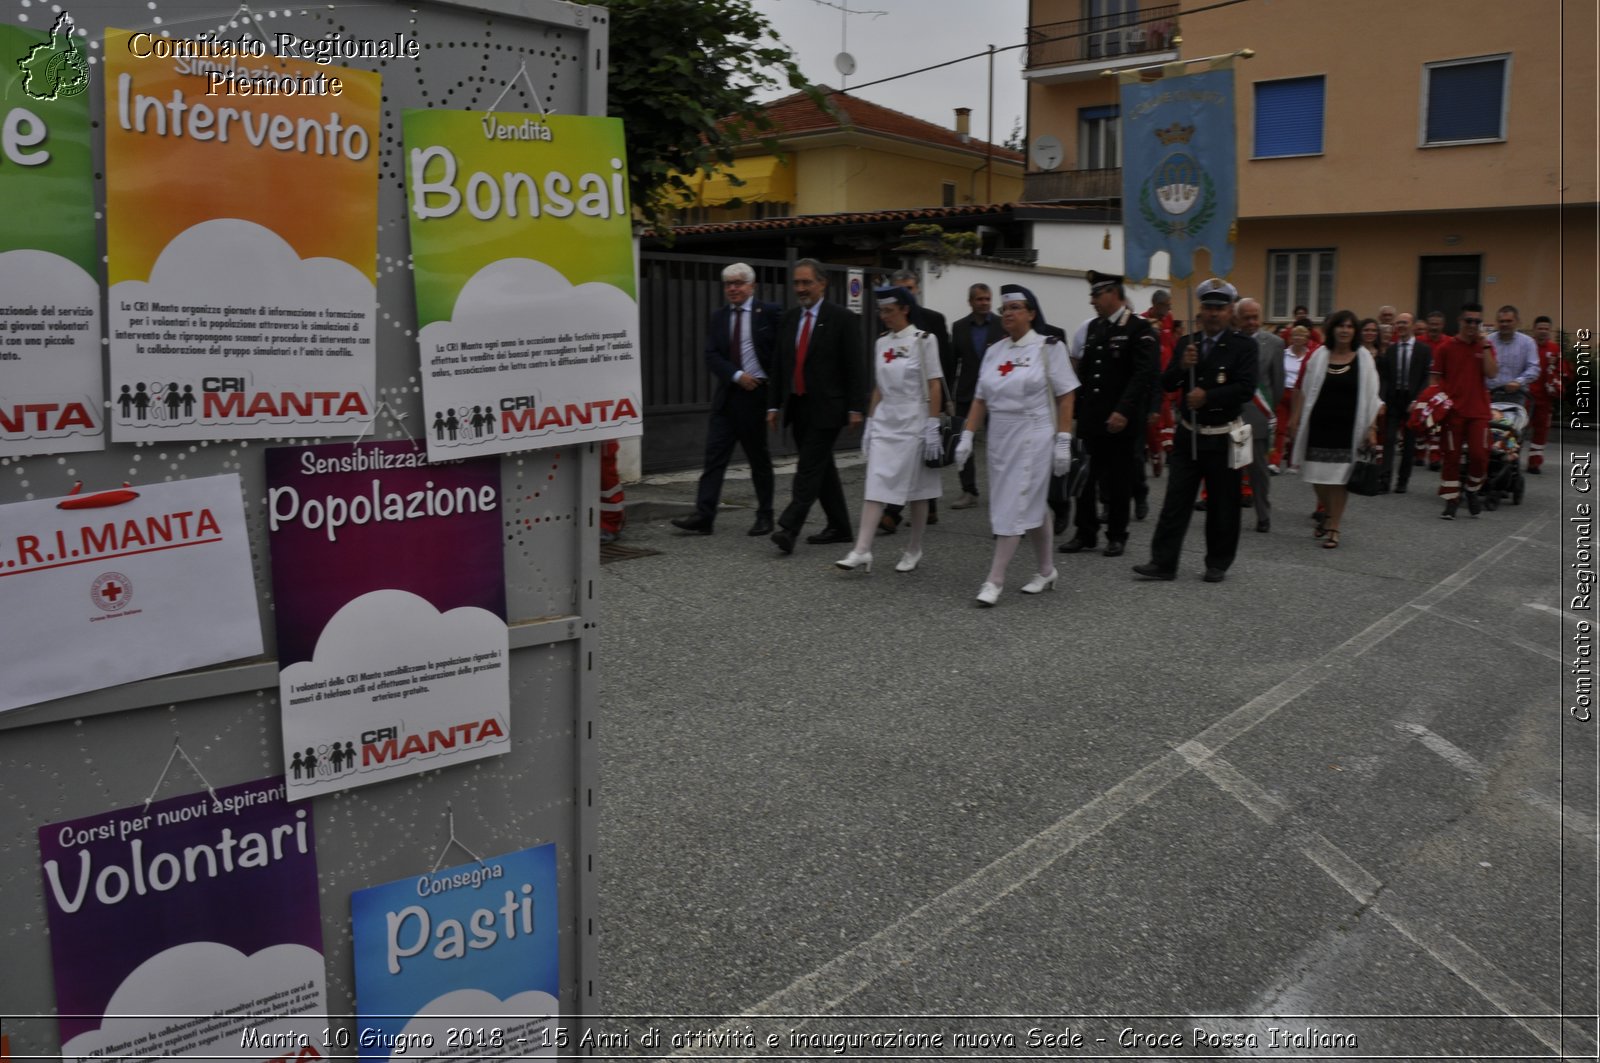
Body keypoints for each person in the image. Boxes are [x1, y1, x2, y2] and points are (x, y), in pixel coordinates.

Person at [953, 283, 1079, 606]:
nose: (1008, 314)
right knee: (1029, 503)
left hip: (1034, 434)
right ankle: (1047, 570)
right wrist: (967, 435)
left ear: (1032, 313)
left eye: (1015, 308)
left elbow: (1066, 396)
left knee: (1015, 502)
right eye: (1004, 309)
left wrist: (1063, 439)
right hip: (1000, 438)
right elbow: (980, 399)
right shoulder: (995, 351)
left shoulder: (1049, 347)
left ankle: (994, 580)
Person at [1132, 278, 1257, 584]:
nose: (1213, 313)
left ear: (1230, 312)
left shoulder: (1244, 346)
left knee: (1223, 504)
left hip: (1224, 434)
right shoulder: (1189, 343)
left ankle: (1217, 562)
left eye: (1219, 308)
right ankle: (1163, 562)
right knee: (1176, 500)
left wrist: (1208, 396)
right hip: (1190, 434)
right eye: (1208, 307)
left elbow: (1245, 388)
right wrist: (1181, 367)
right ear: (1200, 310)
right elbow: (1167, 383)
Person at [835, 287, 945, 573]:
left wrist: (932, 423)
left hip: (915, 419)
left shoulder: (924, 340)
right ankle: (862, 549)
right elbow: (878, 387)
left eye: (889, 311)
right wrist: (871, 423)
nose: (883, 317)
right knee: (876, 482)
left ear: (905, 310)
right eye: (881, 311)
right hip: (887, 419)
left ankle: (914, 547)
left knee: (919, 490)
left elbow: (934, 383)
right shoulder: (881, 343)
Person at [672, 262, 781, 537]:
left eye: (739, 282)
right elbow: (711, 354)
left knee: (758, 459)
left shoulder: (769, 313)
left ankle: (765, 515)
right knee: (714, 456)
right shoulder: (719, 316)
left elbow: (781, 355)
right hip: (728, 395)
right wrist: (736, 375)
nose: (733, 288)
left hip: (757, 394)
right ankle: (704, 515)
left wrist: (774, 399)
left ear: (752, 286)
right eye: (728, 283)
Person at [769, 259, 868, 554]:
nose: (801, 289)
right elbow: (779, 365)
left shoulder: (842, 319)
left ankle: (789, 528)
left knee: (809, 467)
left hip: (828, 408)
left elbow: (854, 367)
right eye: (797, 283)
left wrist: (855, 407)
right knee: (822, 468)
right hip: (798, 406)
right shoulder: (789, 319)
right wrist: (773, 404)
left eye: (806, 283)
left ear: (822, 284)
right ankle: (840, 526)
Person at [1059, 271, 1158, 558]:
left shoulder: (1139, 329)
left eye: (1096, 294)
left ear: (1113, 294)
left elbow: (1143, 375)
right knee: (1085, 478)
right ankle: (1085, 532)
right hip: (1092, 417)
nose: (1092, 301)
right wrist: (1075, 409)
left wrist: (1123, 411)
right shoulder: (1094, 328)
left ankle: (1117, 534)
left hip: (1121, 420)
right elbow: (1087, 372)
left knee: (1118, 480)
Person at [1286, 310, 1384, 550]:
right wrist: (1295, 419)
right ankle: (1329, 514)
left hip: (1348, 428)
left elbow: (1372, 396)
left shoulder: (1364, 358)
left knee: (1340, 480)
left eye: (1350, 326)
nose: (1345, 330)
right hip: (1319, 426)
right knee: (1317, 477)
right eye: (1341, 326)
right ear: (1333, 330)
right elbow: (1305, 390)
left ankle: (1334, 528)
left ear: (1355, 331)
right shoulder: (1319, 355)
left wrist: (1371, 427)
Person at [880, 269, 951, 534]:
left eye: (910, 288)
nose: (906, 293)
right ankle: (920, 507)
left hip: (925, 398)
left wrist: (941, 402)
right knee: (908, 458)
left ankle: (893, 512)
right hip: (900, 403)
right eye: (901, 289)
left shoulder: (933, 320)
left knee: (922, 456)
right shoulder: (889, 322)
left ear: (917, 290)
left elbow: (944, 362)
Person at [1429, 303, 1498, 519]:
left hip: (1479, 412)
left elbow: (1492, 373)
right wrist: (1437, 402)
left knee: (1479, 455)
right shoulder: (1446, 347)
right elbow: (1435, 378)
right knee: (1451, 457)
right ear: (1460, 321)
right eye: (1469, 321)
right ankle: (1451, 500)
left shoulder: (1485, 346)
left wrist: (1485, 346)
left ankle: (1471, 490)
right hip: (1454, 412)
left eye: (1477, 321)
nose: (1473, 325)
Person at [1234, 298, 1285, 533]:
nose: (1252, 322)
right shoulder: (1229, 340)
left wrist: (1268, 412)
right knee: (1234, 465)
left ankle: (1263, 514)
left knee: (1259, 470)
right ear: (1237, 318)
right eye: (1247, 317)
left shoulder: (1274, 343)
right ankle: (1228, 513)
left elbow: (1277, 384)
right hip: (1233, 414)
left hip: (1259, 414)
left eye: (1255, 317)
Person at [947, 283, 997, 508]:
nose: (984, 303)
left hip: (997, 395)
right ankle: (969, 491)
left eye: (987, 299)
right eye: (980, 299)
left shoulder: (1001, 325)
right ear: (970, 302)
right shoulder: (959, 327)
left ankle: (1001, 488)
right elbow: (951, 363)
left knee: (999, 444)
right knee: (962, 442)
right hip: (967, 394)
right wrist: (947, 397)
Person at [1375, 312, 1432, 493]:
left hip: (1412, 399)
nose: (1401, 326)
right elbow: (1385, 378)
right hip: (1394, 399)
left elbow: (1426, 378)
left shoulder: (1423, 350)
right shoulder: (1391, 350)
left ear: (1412, 325)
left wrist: (1418, 400)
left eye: (1405, 323)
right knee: (1389, 439)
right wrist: (1381, 400)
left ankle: (1402, 480)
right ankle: (1385, 479)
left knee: (1409, 443)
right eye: (1398, 323)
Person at [1142, 289, 1178, 478]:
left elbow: (1170, 342)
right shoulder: (1143, 320)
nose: (1170, 308)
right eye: (1166, 304)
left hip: (1167, 376)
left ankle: (1167, 449)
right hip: (1151, 378)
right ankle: (1155, 452)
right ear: (1156, 305)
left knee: (1166, 416)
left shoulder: (1169, 319)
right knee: (1153, 418)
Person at [1485, 304, 1540, 412]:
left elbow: (1534, 368)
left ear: (1517, 322)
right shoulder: (1487, 341)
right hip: (1491, 395)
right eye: (1501, 321)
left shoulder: (1527, 343)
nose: (1504, 324)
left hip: (1517, 396)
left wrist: (1518, 382)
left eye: (1509, 321)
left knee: (1514, 427)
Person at [1273, 325, 1312, 472]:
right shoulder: (1283, 354)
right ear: (1290, 338)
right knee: (1281, 428)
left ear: (1306, 339)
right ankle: (1275, 462)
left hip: (1300, 395)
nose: (1298, 338)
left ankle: (1293, 461)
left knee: (1296, 428)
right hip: (1284, 392)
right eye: (1295, 335)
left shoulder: (1310, 356)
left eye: (1301, 336)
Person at [1527, 315, 1562, 473]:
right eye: (1540, 328)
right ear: (1534, 329)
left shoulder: (1555, 348)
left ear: (1550, 331)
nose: (1543, 331)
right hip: (1526, 396)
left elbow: (1561, 371)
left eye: (1546, 329)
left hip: (1544, 399)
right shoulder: (1527, 345)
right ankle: (1509, 459)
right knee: (1517, 429)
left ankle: (1534, 463)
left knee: (1541, 431)